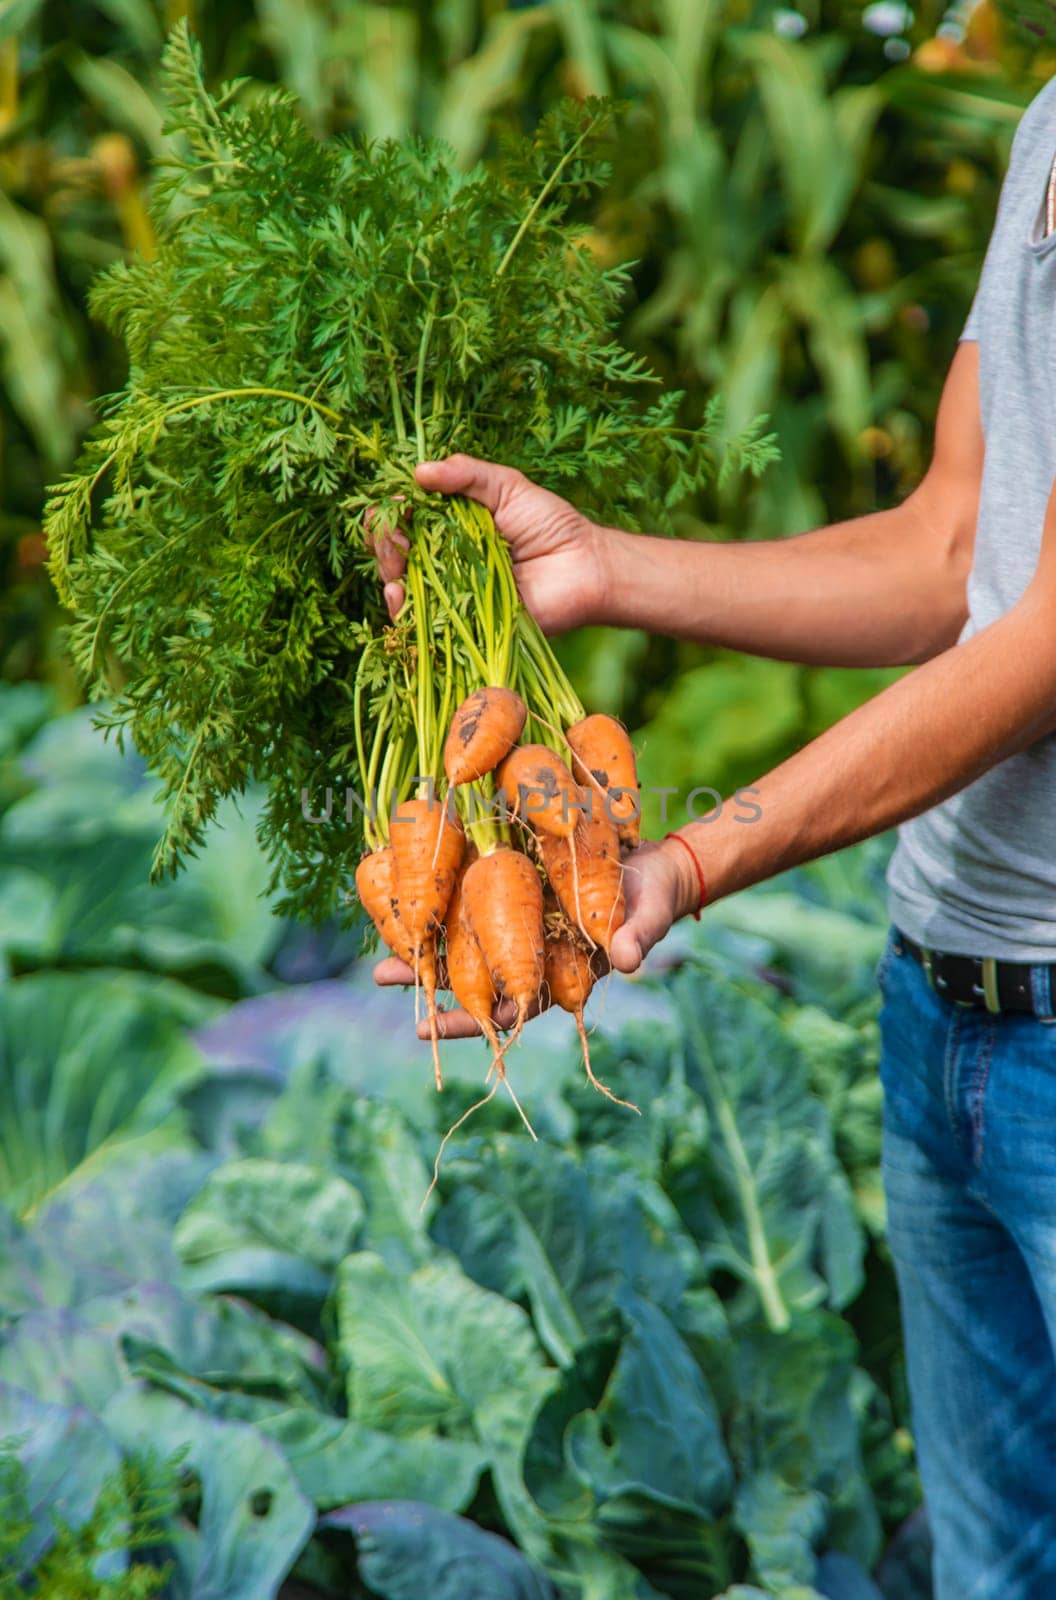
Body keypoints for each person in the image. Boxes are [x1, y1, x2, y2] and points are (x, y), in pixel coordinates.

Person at [374, 77, 1056, 1600]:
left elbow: (1044, 643)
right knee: (994, 1574)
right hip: (941, 1005)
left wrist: (681, 861)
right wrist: (597, 567)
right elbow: (955, 547)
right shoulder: (1049, 127)